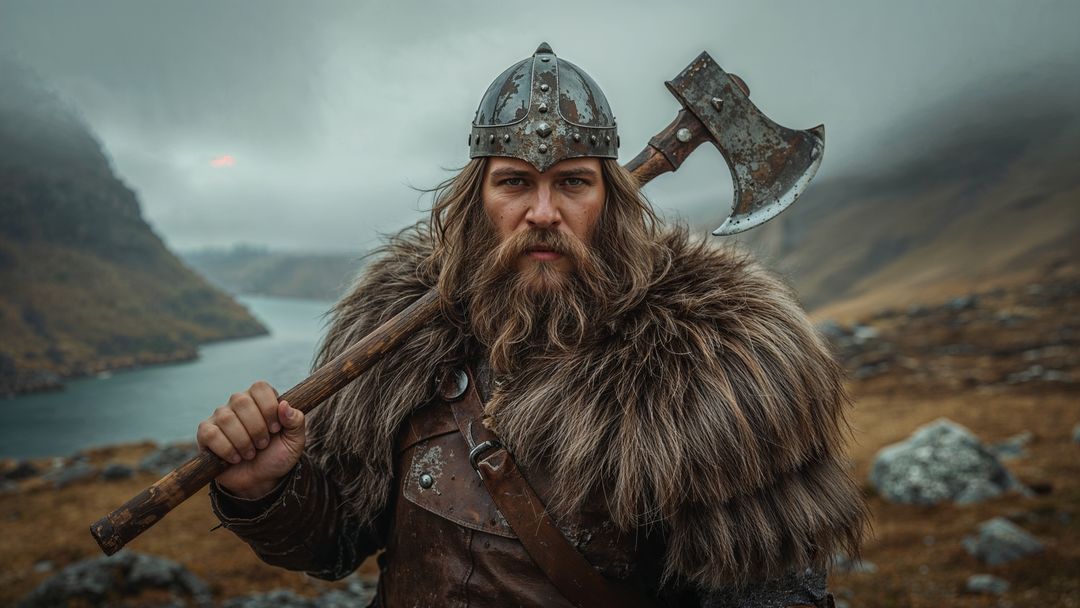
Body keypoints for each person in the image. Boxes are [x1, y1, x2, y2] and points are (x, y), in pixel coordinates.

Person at [197, 43, 867, 607]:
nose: (543, 212)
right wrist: (269, 490)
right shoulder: (398, 346)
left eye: (573, 183)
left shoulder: (710, 375)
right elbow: (334, 543)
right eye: (515, 182)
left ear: (610, 203)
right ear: (475, 202)